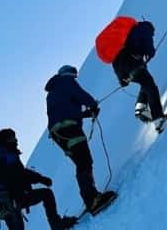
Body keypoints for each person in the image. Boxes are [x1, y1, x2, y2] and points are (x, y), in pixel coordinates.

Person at [0, 128, 77, 230]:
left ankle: (56, 226)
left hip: (6, 201)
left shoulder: (1, 155)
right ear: (6, 140)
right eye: (13, 138)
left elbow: (19, 174)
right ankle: (56, 226)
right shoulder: (5, 157)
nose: (16, 141)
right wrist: (41, 179)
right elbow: (19, 174)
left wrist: (39, 179)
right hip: (12, 199)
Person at [45, 65, 117, 213]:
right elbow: (79, 94)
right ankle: (92, 199)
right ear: (69, 74)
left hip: (58, 134)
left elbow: (64, 111)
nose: (75, 78)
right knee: (84, 160)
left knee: (80, 161)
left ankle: (89, 197)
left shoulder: (52, 92)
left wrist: (85, 114)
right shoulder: (66, 81)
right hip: (69, 128)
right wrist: (93, 104)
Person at [100, 18, 167, 128]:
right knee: (150, 85)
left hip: (120, 67)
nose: (152, 35)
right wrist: (151, 52)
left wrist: (122, 79)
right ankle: (158, 118)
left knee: (145, 83)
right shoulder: (144, 28)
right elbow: (147, 42)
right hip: (130, 61)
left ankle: (140, 107)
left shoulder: (127, 39)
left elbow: (118, 61)